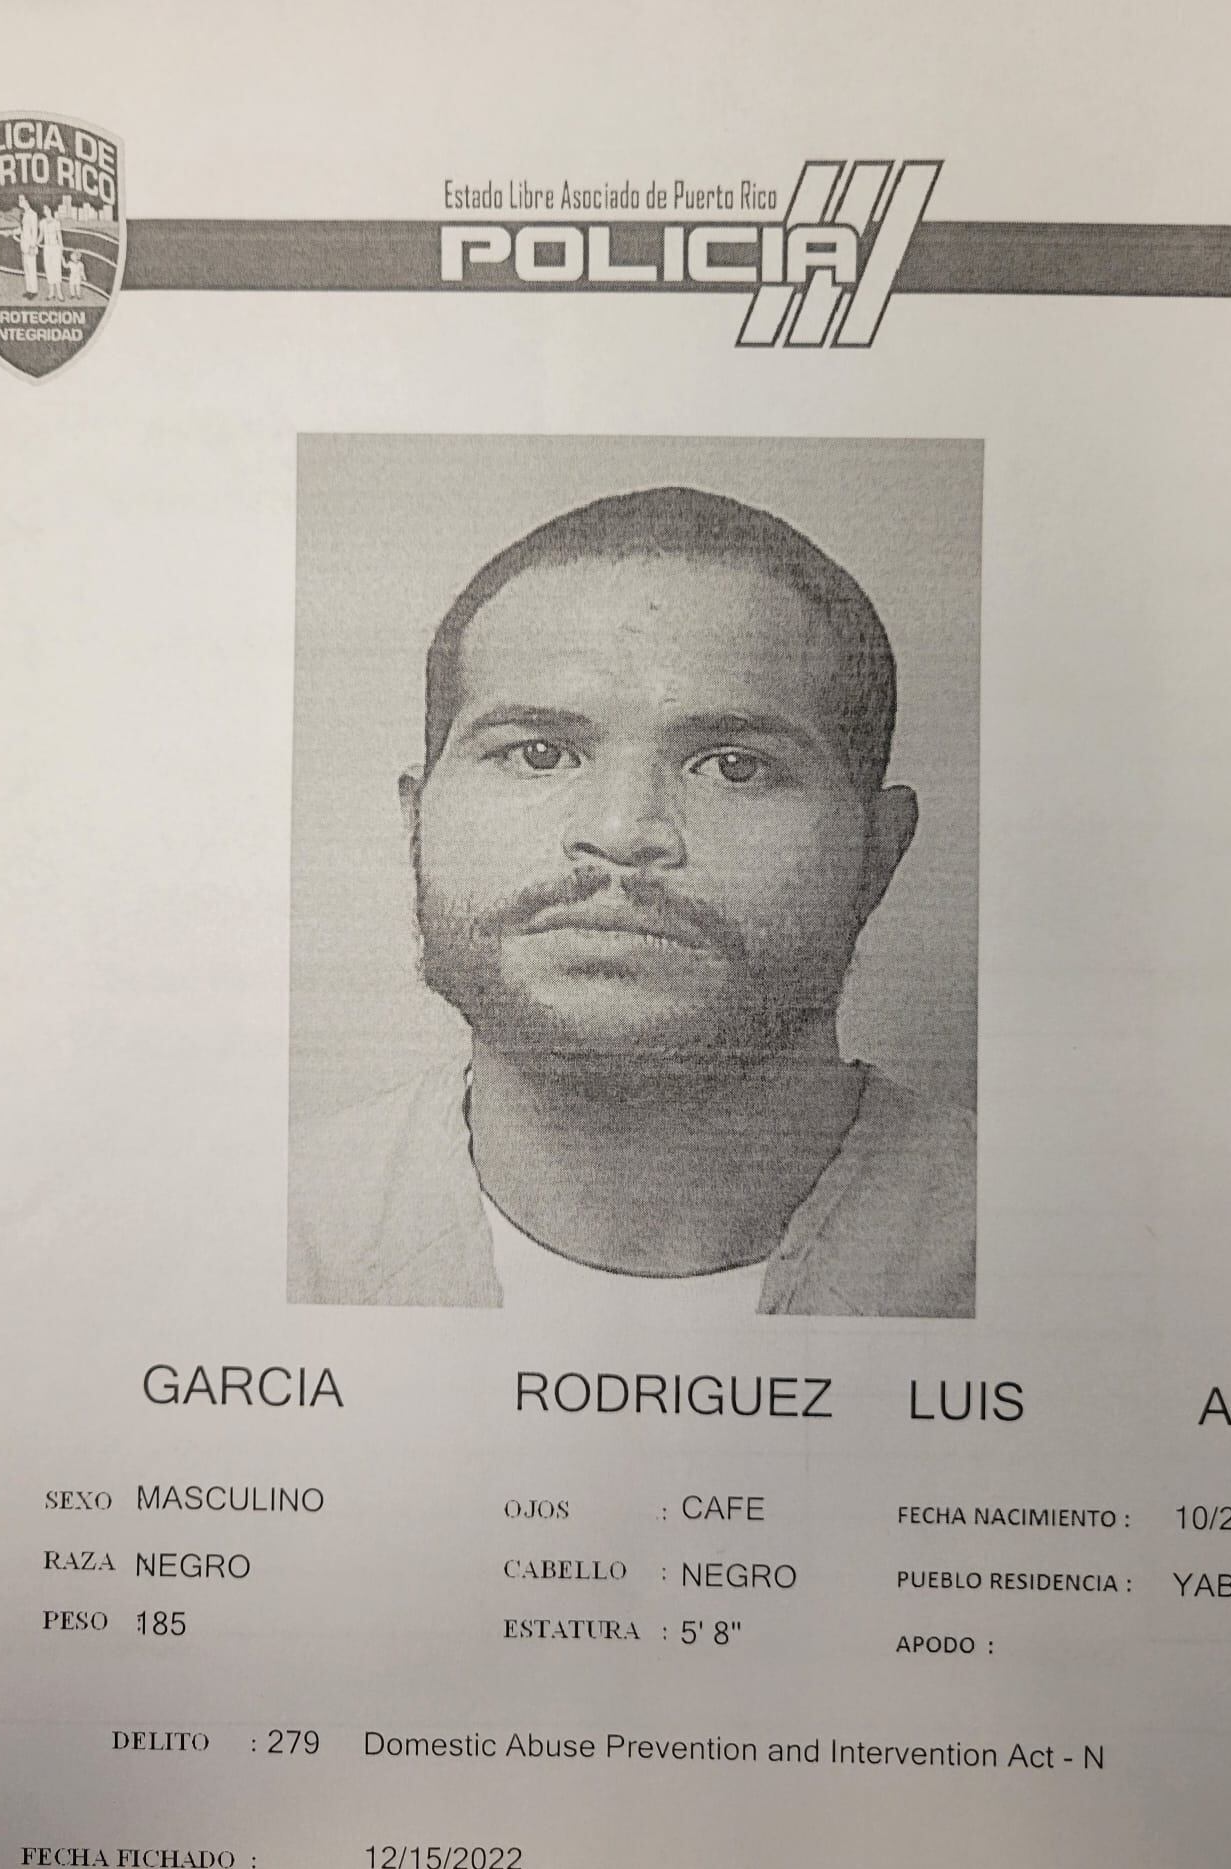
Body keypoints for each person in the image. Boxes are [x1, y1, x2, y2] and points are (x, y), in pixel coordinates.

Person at [289, 485, 974, 1316]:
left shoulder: (1033, 1251)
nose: (620, 832)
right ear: (416, 825)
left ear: (878, 853)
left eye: (734, 767)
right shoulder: (268, 1235)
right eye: (539, 754)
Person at [38, 206, 64, 301]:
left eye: (46, 209)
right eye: (44, 209)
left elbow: (59, 236)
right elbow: (41, 235)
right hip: (47, 248)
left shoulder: (56, 222)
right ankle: (51, 292)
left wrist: (61, 248)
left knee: (57, 269)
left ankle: (59, 293)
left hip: (55, 248)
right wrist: (36, 243)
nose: (45, 211)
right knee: (49, 269)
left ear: (50, 210)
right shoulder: (42, 223)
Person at [17, 196, 38, 299]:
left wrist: (32, 246)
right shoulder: (24, 214)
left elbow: (34, 231)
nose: (19, 202)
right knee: (26, 269)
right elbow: (22, 230)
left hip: (30, 246)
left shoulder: (33, 214)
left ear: (27, 201)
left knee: (31, 268)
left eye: (21, 199)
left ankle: (33, 291)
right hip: (24, 246)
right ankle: (29, 290)